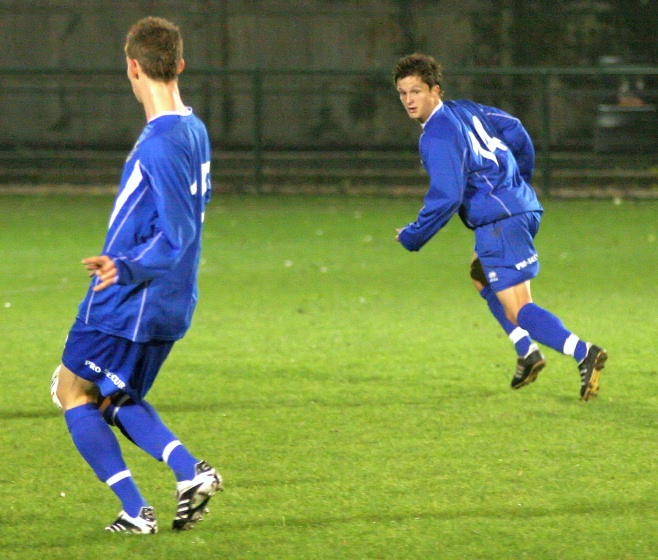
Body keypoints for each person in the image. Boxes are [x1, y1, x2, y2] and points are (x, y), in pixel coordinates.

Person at [51, 16, 221, 534]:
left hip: (131, 298)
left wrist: (124, 266)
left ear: (132, 67)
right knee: (110, 395)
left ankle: (136, 509)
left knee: (70, 390)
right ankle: (188, 473)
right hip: (166, 297)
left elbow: (177, 234)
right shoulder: (193, 127)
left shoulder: (161, 143)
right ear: (180, 66)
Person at [392, 53, 607, 399]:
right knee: (480, 275)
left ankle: (584, 353)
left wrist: (414, 235)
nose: (409, 100)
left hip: (499, 222)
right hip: (518, 209)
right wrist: (519, 181)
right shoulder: (468, 110)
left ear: (436, 90)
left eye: (416, 91)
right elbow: (515, 130)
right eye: (403, 93)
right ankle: (527, 351)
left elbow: (447, 196)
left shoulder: (436, 135)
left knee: (519, 308)